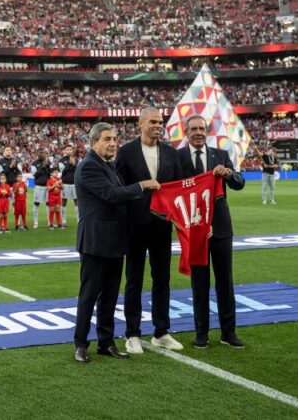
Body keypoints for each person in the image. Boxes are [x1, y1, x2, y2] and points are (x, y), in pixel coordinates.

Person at [73, 123, 157, 363]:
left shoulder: (108, 165)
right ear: (93, 142)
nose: (112, 143)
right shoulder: (89, 165)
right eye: (107, 139)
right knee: (89, 295)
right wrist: (142, 185)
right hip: (95, 242)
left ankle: (106, 342)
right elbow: (112, 195)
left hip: (114, 241)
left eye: (115, 139)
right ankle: (80, 344)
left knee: (109, 296)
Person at [115, 107, 185, 355]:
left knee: (162, 280)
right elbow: (119, 189)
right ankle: (132, 334)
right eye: (153, 121)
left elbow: (177, 189)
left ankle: (161, 332)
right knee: (134, 280)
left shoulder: (170, 153)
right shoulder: (125, 152)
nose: (158, 125)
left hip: (162, 226)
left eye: (161, 122)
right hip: (134, 226)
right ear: (141, 123)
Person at [176, 114, 246, 349]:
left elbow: (239, 182)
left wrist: (228, 174)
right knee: (200, 284)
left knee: (225, 282)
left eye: (202, 128)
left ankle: (228, 333)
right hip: (195, 229)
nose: (198, 132)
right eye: (193, 128)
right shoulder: (178, 157)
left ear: (207, 132)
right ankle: (201, 334)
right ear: (186, 133)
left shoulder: (222, 155)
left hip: (221, 227)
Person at [59, 145, 79, 228]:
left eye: (71, 149)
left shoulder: (76, 159)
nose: (69, 151)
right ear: (65, 151)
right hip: (65, 184)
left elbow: (77, 170)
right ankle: (63, 220)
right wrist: (70, 164)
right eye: (68, 149)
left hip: (74, 183)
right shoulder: (61, 160)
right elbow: (63, 172)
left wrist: (73, 164)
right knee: (64, 202)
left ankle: (78, 220)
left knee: (77, 202)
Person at [30, 151, 50, 230]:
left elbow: (49, 174)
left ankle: (49, 222)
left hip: (47, 186)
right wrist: (42, 167)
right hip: (38, 186)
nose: (42, 154)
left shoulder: (48, 163)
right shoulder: (34, 164)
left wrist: (47, 167)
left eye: (43, 153)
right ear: (38, 154)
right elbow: (34, 175)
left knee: (48, 204)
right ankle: (35, 222)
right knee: (36, 203)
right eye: (41, 153)